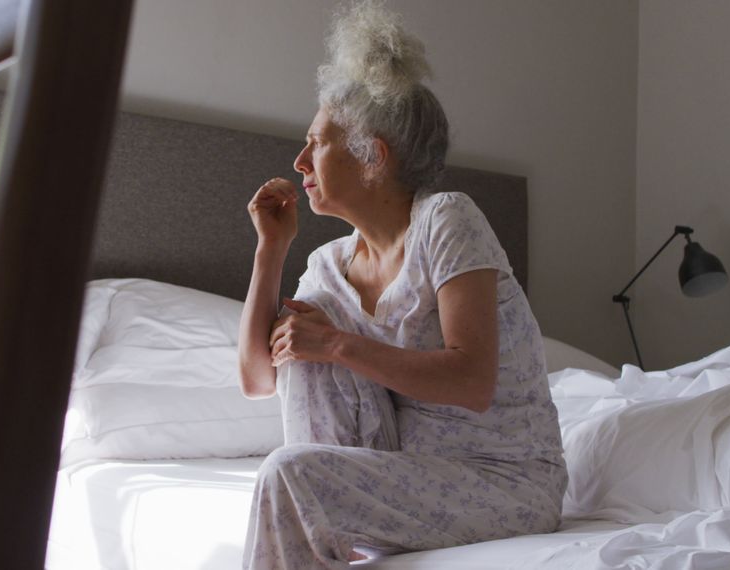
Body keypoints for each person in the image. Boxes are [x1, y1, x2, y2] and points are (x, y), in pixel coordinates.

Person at [238, 2, 566, 568]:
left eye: (316, 143)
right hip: (395, 473)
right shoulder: (330, 264)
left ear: (373, 157)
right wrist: (271, 250)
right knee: (305, 337)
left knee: (290, 469)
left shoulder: (447, 219)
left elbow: (473, 381)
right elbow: (257, 379)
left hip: (502, 483)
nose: (299, 161)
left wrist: (339, 344)